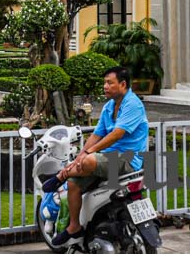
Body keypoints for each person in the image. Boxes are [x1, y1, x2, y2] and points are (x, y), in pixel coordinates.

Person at [45, 65, 148, 247]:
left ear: (123, 84)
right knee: (74, 184)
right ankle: (74, 226)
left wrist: (89, 153)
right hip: (108, 159)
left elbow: (117, 134)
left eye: (110, 83)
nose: (105, 86)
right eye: (104, 83)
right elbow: (96, 134)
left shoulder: (132, 104)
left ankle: (61, 175)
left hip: (127, 160)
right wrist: (81, 155)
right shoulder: (109, 107)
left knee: (89, 160)